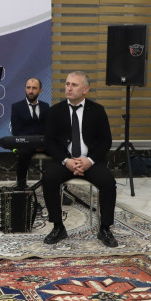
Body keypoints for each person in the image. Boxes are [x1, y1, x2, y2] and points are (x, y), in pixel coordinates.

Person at [42, 71, 118, 247]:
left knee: (108, 182)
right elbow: (49, 141)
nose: (69, 88)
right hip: (65, 161)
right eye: (67, 84)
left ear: (85, 89)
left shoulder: (97, 111)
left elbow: (106, 141)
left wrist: (89, 160)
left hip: (90, 162)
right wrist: (66, 161)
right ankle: (58, 227)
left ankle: (105, 228)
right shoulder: (55, 111)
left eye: (74, 85)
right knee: (49, 178)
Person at [10, 77, 49, 189]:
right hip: (26, 143)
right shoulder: (17, 107)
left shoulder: (45, 106)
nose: (31, 91)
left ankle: (55, 184)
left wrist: (42, 143)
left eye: (34, 88)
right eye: (28, 88)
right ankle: (21, 185)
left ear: (40, 90)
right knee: (23, 153)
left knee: (59, 151)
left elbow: (48, 128)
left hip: (43, 143)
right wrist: (33, 144)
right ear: (25, 89)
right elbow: (16, 131)